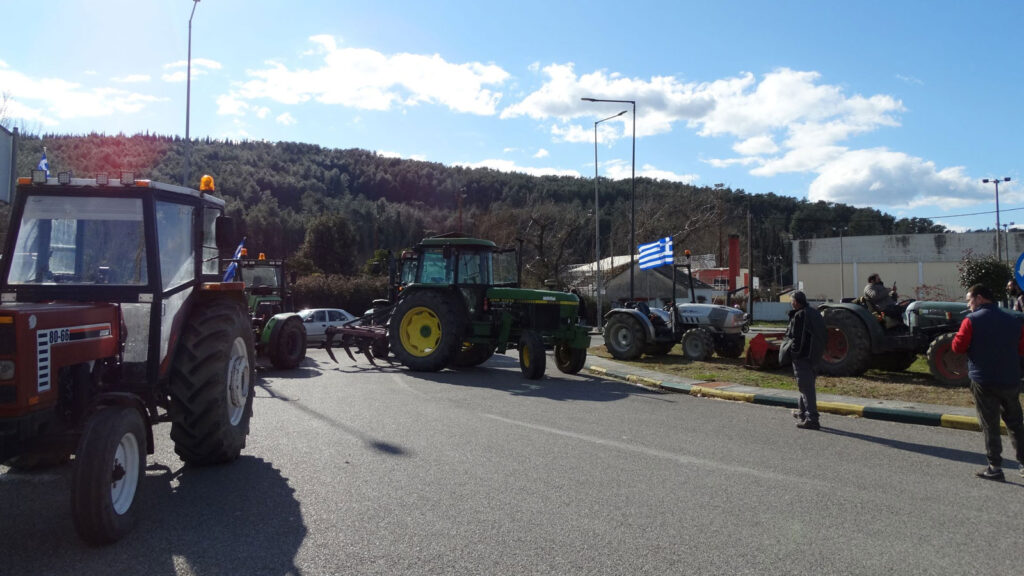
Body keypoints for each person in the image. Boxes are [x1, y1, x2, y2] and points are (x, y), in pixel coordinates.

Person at [951, 283, 1024, 481]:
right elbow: (1021, 348)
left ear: (980, 298)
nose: (969, 304)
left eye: (969, 299)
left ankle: (995, 467)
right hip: (1010, 378)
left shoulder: (971, 320)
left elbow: (958, 346)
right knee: (1016, 422)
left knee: (989, 424)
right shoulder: (1014, 319)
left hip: (984, 380)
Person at [786, 290, 827, 430]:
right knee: (805, 386)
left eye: (791, 301)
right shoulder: (814, 313)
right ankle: (802, 413)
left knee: (806, 387)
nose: (791, 303)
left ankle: (812, 419)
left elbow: (799, 338)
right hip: (816, 355)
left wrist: (793, 354)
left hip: (804, 356)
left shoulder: (801, 315)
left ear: (796, 302)